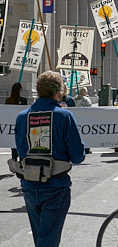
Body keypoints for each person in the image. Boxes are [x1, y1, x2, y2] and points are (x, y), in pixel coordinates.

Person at [12, 71, 85, 247]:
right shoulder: (64, 116)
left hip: (29, 184)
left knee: (41, 238)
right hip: (55, 186)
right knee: (48, 240)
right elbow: (77, 156)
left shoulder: (23, 117)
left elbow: (21, 148)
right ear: (58, 92)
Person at [5, 82, 28, 161]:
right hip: (21, 126)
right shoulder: (24, 100)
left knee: (13, 145)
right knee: (21, 143)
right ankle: (21, 162)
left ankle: (14, 160)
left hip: (10, 125)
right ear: (20, 90)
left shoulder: (8, 100)